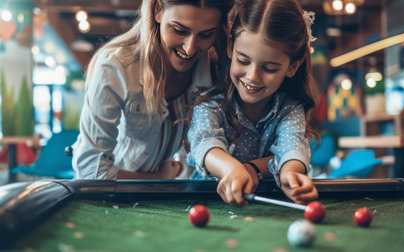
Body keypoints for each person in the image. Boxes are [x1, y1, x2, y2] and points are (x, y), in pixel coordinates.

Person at [71, 0, 233, 179]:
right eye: (180, 30)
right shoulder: (115, 67)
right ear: (157, 10)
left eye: (205, 35)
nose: (190, 48)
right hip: (108, 195)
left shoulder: (216, 68)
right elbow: (91, 171)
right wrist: (161, 178)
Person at [186, 0, 320, 205]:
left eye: (270, 68)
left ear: (292, 67)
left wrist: (291, 174)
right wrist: (232, 169)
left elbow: (291, 147)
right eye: (244, 60)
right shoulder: (210, 103)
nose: (253, 76)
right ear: (231, 47)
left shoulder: (290, 108)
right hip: (206, 202)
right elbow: (205, 144)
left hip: (266, 208)